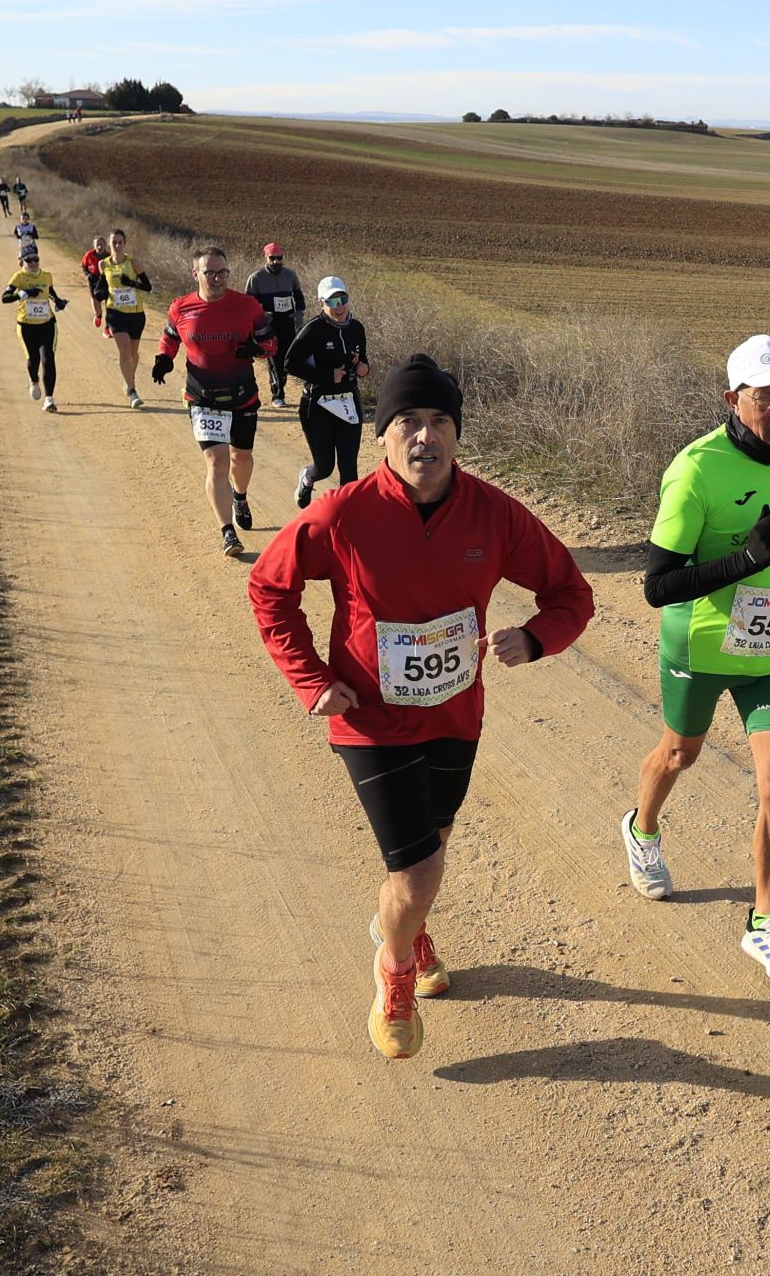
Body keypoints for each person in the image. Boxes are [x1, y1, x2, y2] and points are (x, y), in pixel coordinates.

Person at [249, 353, 596, 1060]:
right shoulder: (343, 515)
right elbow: (269, 588)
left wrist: (536, 636)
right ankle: (395, 969)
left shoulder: (493, 514)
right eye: (407, 421)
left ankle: (406, 926)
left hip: (453, 717)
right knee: (417, 871)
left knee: (431, 851)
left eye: (440, 422)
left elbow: (571, 593)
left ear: (457, 435)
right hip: (370, 720)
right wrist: (311, 679)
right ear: (381, 438)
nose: (424, 436)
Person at [619, 335, 770, 985]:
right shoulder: (696, 470)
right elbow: (657, 585)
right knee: (679, 754)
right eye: (767, 397)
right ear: (733, 399)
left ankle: (764, 922)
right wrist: (744, 563)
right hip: (699, 643)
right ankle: (642, 829)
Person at [152, 246, 277, 557]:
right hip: (202, 396)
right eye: (211, 272)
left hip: (242, 395)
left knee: (241, 459)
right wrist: (163, 358)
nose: (218, 278)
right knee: (216, 462)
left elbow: (271, 344)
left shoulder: (247, 306)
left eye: (223, 272)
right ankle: (227, 532)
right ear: (196, 274)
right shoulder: (181, 308)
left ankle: (241, 496)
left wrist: (256, 350)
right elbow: (170, 337)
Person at [282, 275, 368, 507]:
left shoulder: (356, 328)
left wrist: (362, 368)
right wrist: (326, 376)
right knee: (324, 467)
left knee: (349, 467)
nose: (338, 307)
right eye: (331, 302)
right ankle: (308, 478)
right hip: (317, 405)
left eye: (342, 299)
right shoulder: (313, 330)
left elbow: (363, 361)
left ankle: (347, 517)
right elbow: (289, 364)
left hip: (349, 403)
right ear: (321, 303)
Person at [0, 242, 68, 413]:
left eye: (36, 259)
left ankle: (49, 399)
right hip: (26, 326)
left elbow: (51, 292)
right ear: (22, 261)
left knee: (48, 360)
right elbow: (5, 297)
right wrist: (24, 293)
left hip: (47, 324)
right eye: (29, 260)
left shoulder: (46, 276)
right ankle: (33, 380)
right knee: (33, 360)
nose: (33, 263)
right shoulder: (18, 277)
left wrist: (59, 302)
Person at [242, 244, 305, 409]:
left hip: (287, 323)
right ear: (266, 258)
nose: (276, 261)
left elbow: (299, 297)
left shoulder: (290, 276)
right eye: (272, 258)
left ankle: (284, 385)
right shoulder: (255, 278)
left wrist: (299, 315)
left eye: (279, 258)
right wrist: (260, 316)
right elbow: (247, 304)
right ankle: (278, 394)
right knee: (275, 360)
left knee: (287, 359)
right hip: (268, 326)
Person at [95, 228, 151, 408]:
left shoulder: (134, 263)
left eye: (120, 242)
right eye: (114, 243)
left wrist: (131, 283)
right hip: (115, 313)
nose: (117, 245)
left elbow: (148, 287)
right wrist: (99, 291)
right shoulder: (104, 265)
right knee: (125, 351)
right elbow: (102, 285)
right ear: (109, 245)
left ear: (125, 244)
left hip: (135, 314)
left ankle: (128, 381)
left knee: (134, 354)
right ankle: (133, 391)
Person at [80, 235, 107, 329]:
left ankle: (108, 326)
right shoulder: (89, 255)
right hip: (93, 279)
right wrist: (87, 274)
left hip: (105, 280)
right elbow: (83, 265)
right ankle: (98, 316)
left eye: (101, 245)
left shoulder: (108, 256)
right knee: (95, 299)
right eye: (97, 245)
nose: (100, 247)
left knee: (109, 300)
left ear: (105, 245)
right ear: (94, 246)